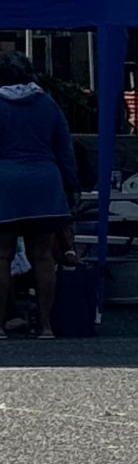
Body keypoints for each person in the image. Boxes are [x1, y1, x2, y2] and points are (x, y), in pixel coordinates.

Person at [0, 50, 77, 340]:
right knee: (43, 256)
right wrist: (71, 186)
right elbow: (65, 149)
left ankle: (0, 327)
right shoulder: (48, 104)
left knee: (2, 256)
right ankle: (46, 326)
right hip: (45, 185)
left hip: (5, 185)